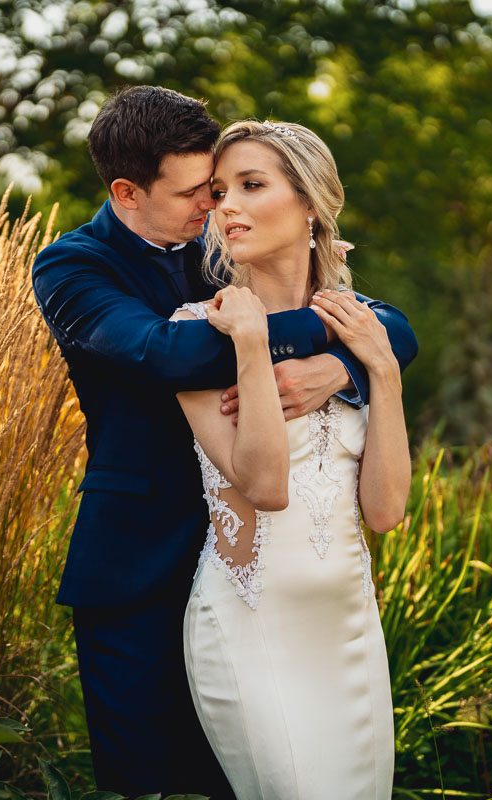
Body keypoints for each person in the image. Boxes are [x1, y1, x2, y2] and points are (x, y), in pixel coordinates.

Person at [30, 86, 417, 797]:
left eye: (223, 187)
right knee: (153, 782)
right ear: (127, 192)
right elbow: (163, 354)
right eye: (195, 193)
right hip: (141, 561)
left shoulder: (224, 242)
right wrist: (330, 336)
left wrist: (345, 367)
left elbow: (395, 326)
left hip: (278, 572)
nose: (215, 207)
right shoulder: (72, 268)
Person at [174, 119, 408, 799]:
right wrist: (249, 345)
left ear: (309, 203)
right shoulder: (195, 333)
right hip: (253, 629)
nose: (228, 207)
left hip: (349, 632)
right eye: (219, 192)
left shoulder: (359, 330)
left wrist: (379, 372)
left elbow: (386, 512)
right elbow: (266, 487)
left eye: (251, 185)